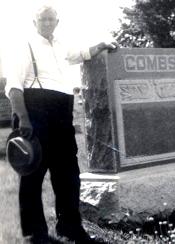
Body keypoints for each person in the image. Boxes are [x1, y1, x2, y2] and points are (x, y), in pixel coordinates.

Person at [5, 4, 118, 244]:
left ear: (58, 22)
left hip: (61, 111)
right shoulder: (23, 46)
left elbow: (80, 53)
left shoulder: (60, 45)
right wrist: (23, 118)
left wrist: (101, 45)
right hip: (34, 109)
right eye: (42, 19)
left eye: (51, 19)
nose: (47, 23)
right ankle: (35, 234)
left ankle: (70, 228)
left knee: (68, 174)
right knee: (33, 174)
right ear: (34, 22)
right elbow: (13, 86)